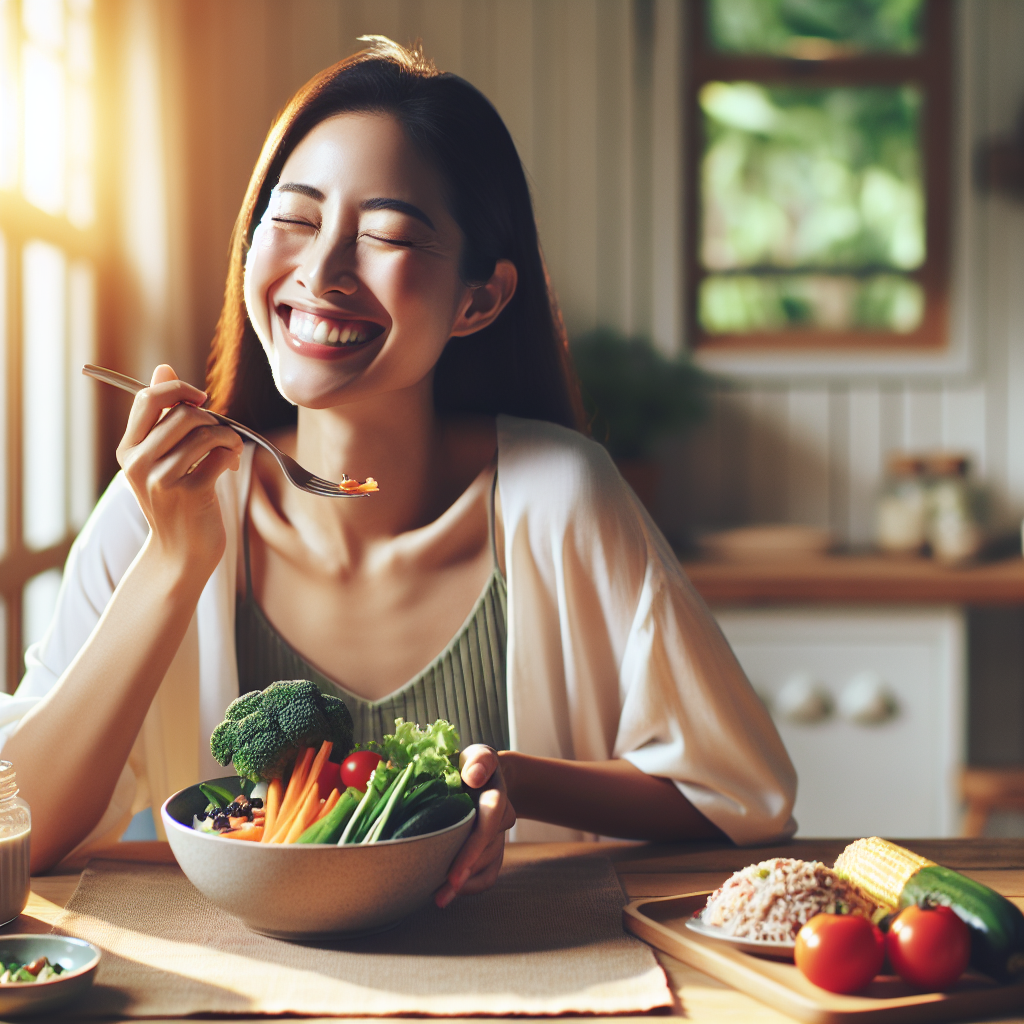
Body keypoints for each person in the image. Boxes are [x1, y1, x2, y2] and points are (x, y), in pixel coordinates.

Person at [0, 38, 796, 894]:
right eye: (296, 219)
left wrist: (516, 783)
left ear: (478, 299)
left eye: (385, 236)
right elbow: (19, 831)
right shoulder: (167, 501)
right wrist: (172, 562)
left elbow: (742, 794)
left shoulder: (560, 494)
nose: (321, 270)